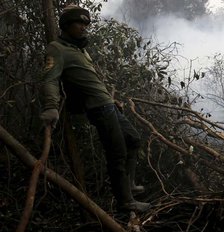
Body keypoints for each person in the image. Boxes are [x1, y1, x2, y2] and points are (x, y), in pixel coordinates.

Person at [39, 5, 150, 212]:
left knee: (133, 139)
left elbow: (90, 79)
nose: (83, 27)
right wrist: (51, 107)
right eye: (79, 23)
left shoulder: (80, 49)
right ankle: (125, 201)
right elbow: (50, 80)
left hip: (107, 103)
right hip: (98, 108)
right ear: (66, 25)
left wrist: (110, 97)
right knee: (116, 152)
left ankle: (130, 186)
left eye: (86, 24)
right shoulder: (57, 48)